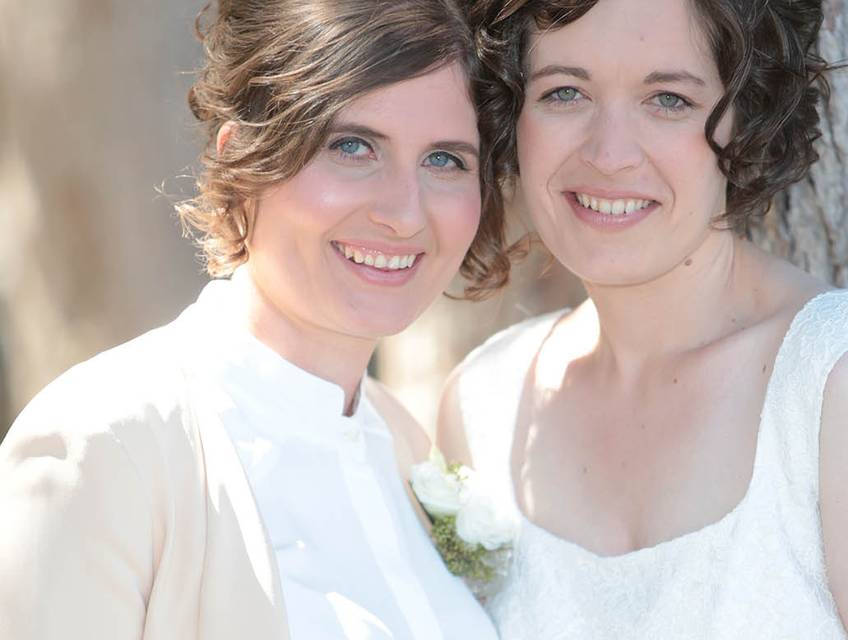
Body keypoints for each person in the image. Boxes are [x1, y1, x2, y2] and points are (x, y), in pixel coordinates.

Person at [438, 0, 848, 637]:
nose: (610, 153)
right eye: (565, 91)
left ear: (748, 120)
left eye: (668, 100)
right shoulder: (481, 405)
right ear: (511, 114)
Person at [0, 0, 505, 638]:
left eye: (445, 160)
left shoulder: (405, 445)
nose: (405, 215)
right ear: (244, 159)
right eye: (352, 147)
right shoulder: (104, 444)